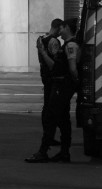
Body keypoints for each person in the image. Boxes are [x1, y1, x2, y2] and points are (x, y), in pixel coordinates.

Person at [26, 18, 81, 163]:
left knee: (51, 118)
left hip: (62, 86)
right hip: (62, 85)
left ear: (67, 28)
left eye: (62, 28)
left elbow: (71, 68)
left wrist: (43, 53)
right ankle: (64, 152)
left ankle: (43, 152)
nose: (59, 31)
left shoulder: (70, 45)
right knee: (63, 120)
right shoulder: (67, 45)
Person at [31, 18, 64, 151]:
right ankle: (49, 136)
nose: (61, 33)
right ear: (56, 28)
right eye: (60, 30)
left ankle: (48, 136)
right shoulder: (53, 41)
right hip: (52, 76)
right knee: (53, 107)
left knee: (47, 106)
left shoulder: (41, 39)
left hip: (44, 74)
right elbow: (56, 60)